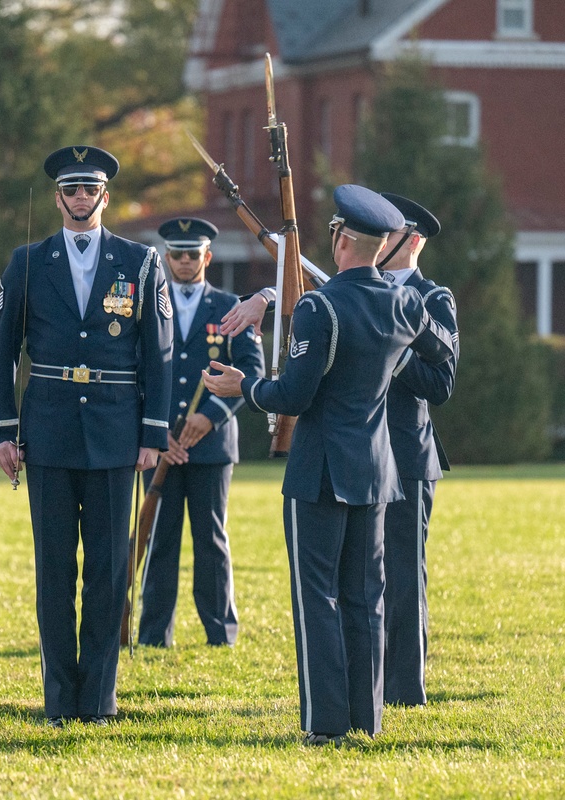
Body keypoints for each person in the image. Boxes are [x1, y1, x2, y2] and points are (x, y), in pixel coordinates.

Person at [201, 185, 455, 745]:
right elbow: (438, 351)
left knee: (317, 596)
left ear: (340, 239)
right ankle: (367, 720)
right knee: (365, 597)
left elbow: (292, 394)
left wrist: (248, 385)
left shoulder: (321, 307)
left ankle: (325, 722)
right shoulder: (406, 303)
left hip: (319, 471)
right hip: (379, 471)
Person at [0, 145, 173, 727]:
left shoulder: (141, 262)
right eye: (70, 190)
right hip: (47, 431)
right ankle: (58, 699)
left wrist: (153, 432)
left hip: (118, 433)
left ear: (104, 196)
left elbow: (159, 354)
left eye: (89, 190)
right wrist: (2, 429)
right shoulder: (26, 262)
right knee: (54, 571)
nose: (79, 199)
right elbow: (1, 354)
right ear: (58, 197)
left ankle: (98, 700)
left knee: (109, 569)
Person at [137, 218, 264, 648]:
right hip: (159, 445)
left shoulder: (233, 307)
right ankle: (154, 634)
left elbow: (253, 371)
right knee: (158, 539)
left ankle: (220, 632)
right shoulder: (146, 305)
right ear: (166, 258)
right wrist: (158, 435)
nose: (186, 261)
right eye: (178, 254)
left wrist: (209, 416)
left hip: (210, 445)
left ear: (208, 256)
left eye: (194, 254)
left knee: (211, 540)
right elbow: (134, 372)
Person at [376, 193, 458, 706]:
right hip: (356, 452)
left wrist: (392, 349)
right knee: (361, 576)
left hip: (406, 456)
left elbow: (441, 382)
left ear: (414, 240)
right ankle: (369, 679)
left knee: (403, 577)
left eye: (392, 233)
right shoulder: (358, 290)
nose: (381, 241)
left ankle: (407, 689)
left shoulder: (433, 299)